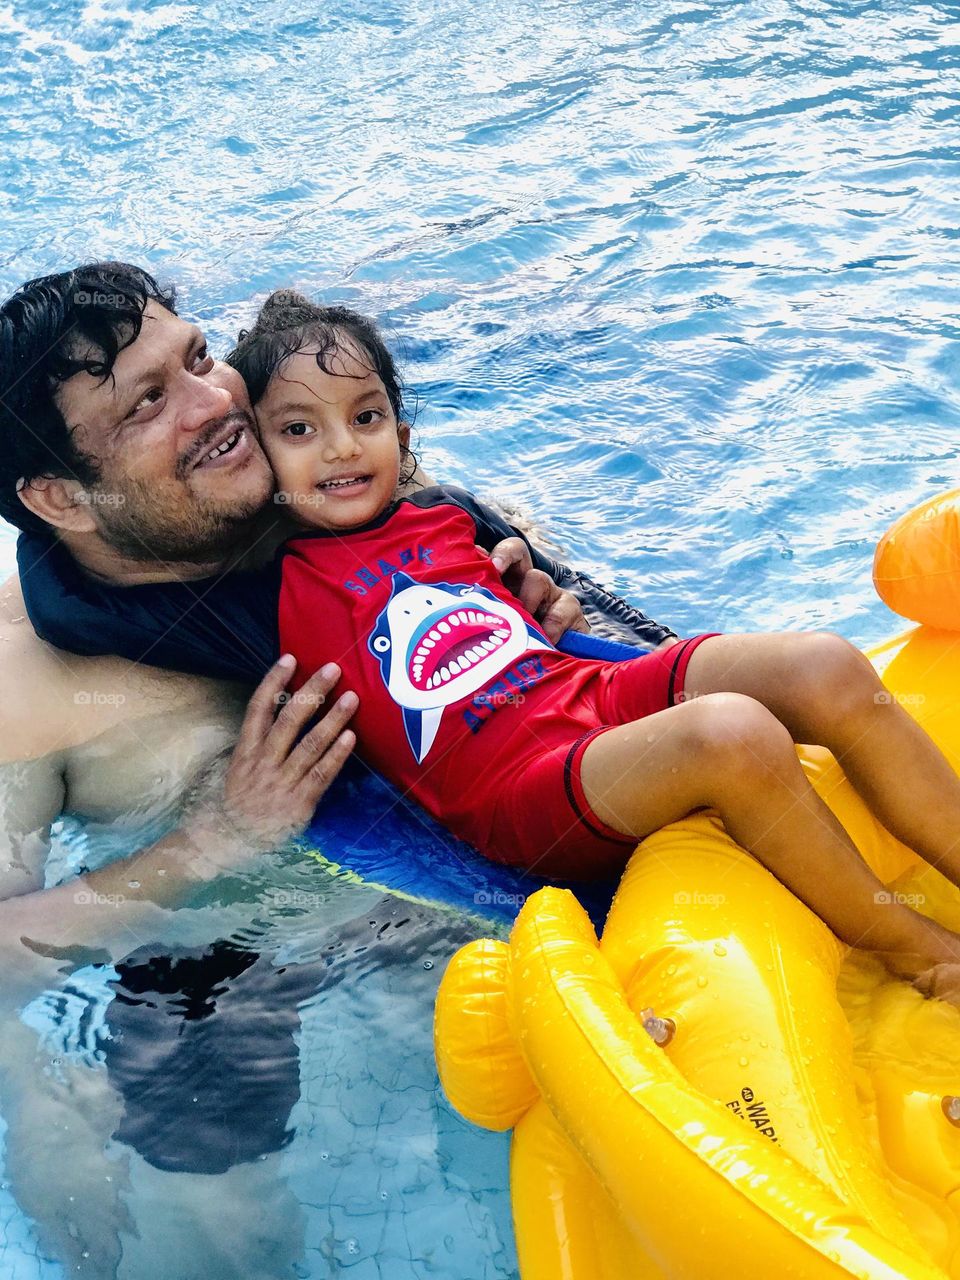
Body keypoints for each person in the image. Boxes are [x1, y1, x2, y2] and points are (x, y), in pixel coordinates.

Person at [26, 285, 960, 1002]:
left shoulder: (402, 498)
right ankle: (920, 953)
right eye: (148, 401)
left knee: (820, 664)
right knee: (733, 735)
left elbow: (568, 614)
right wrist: (216, 841)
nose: (211, 404)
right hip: (441, 847)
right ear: (58, 499)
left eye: (198, 357)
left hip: (573, 708)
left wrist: (541, 607)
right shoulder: (105, 639)